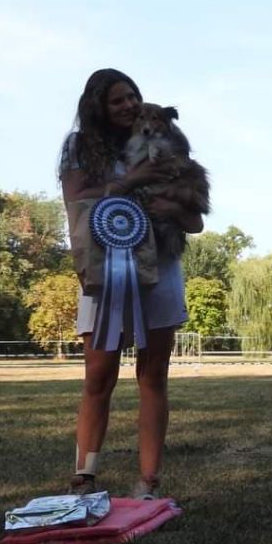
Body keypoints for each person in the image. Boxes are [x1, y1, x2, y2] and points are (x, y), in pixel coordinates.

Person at [59, 68, 205, 500]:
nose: (129, 107)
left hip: (160, 270)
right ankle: (84, 474)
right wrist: (133, 182)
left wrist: (168, 204)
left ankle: (149, 480)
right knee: (98, 376)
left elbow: (194, 219)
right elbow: (76, 202)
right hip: (106, 273)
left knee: (153, 376)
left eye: (133, 99)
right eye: (118, 100)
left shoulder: (165, 147)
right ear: (98, 106)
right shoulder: (80, 147)